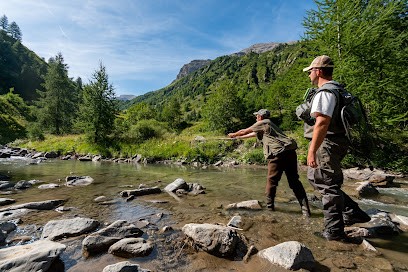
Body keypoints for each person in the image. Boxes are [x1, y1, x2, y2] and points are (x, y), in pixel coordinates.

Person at [300, 55, 371, 242]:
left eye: (310, 71)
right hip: (337, 142)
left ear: (319, 71)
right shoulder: (339, 90)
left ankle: (334, 231)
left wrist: (311, 150)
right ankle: (352, 212)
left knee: (326, 184)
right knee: (319, 179)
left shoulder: (325, 92)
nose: (309, 75)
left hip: (327, 143)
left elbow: (322, 122)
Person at [228, 109, 311, 217]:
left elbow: (245, 131)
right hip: (290, 152)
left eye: (256, 116)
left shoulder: (263, 122)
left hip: (278, 154)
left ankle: (269, 209)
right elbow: (252, 134)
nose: (255, 118)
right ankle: (306, 211)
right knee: (294, 181)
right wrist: (239, 138)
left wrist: (233, 134)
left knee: (272, 181)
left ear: (260, 117)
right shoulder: (269, 125)